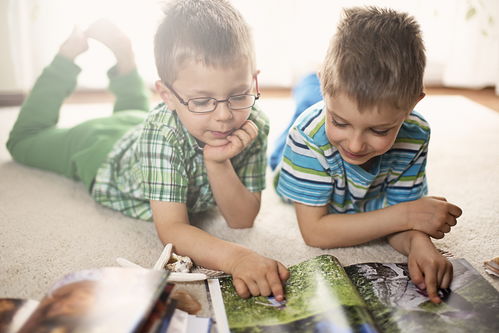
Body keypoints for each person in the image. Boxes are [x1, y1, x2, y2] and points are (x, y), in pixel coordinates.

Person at [6, 0, 289, 301]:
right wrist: (237, 258)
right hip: (99, 150)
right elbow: (172, 229)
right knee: (23, 141)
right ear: (166, 95)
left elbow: (242, 219)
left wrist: (218, 164)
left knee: (138, 115)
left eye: (238, 94)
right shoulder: (161, 132)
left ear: (254, 80)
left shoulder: (253, 121)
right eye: (203, 101)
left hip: (143, 127)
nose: (224, 116)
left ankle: (124, 60)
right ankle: (67, 57)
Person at [274, 6, 463, 304]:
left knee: (331, 116)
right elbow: (315, 232)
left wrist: (420, 244)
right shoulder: (307, 139)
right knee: (290, 133)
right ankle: (310, 88)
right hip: (308, 149)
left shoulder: (415, 135)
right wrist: (408, 214)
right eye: (340, 121)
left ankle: (317, 95)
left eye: (378, 130)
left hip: (331, 119)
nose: (356, 144)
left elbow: (399, 226)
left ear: (412, 104)